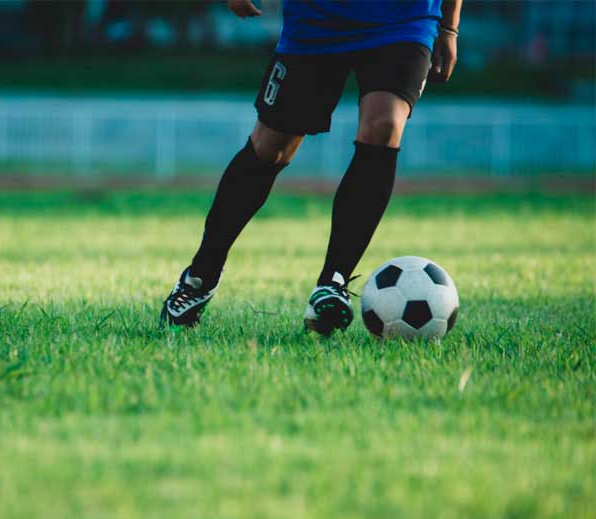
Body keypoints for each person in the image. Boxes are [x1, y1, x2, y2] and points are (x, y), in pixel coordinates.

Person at [160, 0, 461, 335]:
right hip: (317, 17)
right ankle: (201, 276)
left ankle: (333, 282)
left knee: (384, 125)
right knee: (271, 147)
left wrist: (449, 28)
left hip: (405, 19)